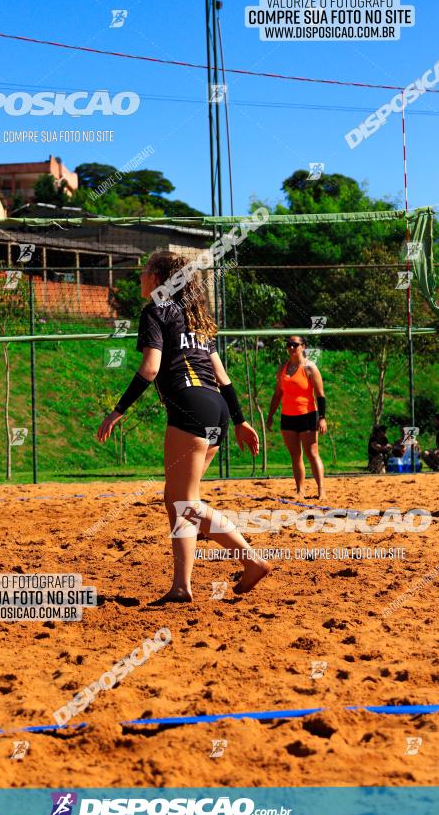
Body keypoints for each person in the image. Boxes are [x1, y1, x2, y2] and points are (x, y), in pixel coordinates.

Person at [96, 251, 270, 604]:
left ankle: (251, 561)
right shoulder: (197, 318)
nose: (140, 276)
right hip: (216, 409)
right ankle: (181, 586)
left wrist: (117, 410)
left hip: (191, 408)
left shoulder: (156, 311)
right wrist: (240, 421)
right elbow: (222, 377)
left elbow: (150, 368)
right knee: (176, 500)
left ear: (160, 278)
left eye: (146, 271)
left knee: (185, 503)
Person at [266, 336, 327, 500]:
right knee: (295, 455)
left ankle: (321, 490)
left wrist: (322, 418)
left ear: (303, 346)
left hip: (307, 415)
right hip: (288, 417)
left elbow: (320, 395)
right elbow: (278, 393)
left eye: (295, 345)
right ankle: (300, 490)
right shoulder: (282, 368)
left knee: (312, 453)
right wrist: (270, 415)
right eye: (289, 345)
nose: (292, 347)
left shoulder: (310, 368)